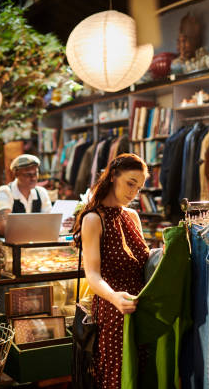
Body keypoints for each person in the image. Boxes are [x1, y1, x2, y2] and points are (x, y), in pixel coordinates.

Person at [72, 153, 149, 388]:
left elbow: (142, 261)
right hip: (112, 312)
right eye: (130, 183)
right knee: (117, 377)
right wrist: (114, 297)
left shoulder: (132, 216)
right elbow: (92, 275)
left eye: (139, 188)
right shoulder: (94, 219)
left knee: (140, 374)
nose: (133, 193)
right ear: (114, 176)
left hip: (139, 309)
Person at [0, 154, 52, 236]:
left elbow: (49, 223)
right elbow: (4, 228)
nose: (33, 178)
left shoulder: (41, 193)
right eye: (28, 174)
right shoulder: (5, 192)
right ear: (16, 174)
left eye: (35, 173)